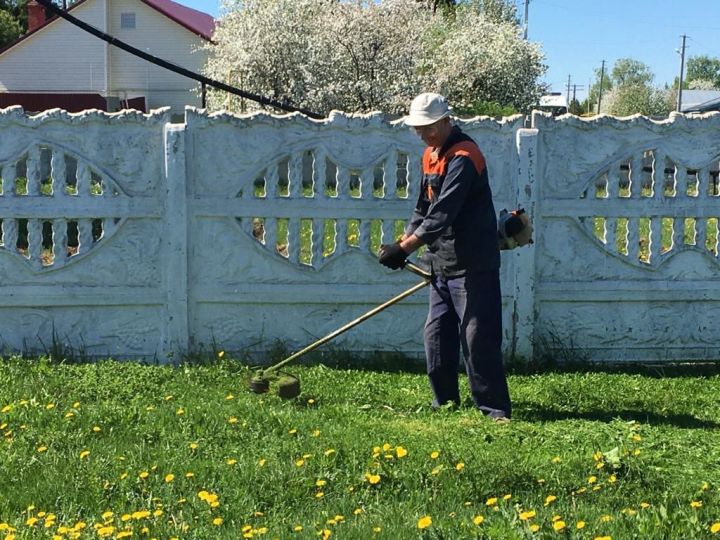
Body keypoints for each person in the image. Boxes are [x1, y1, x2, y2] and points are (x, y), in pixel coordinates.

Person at [378, 92, 512, 422]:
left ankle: (494, 410)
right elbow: (422, 207)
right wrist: (404, 240)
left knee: (477, 337)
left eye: (428, 128)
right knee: (436, 335)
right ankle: (445, 403)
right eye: (417, 128)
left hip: (473, 262)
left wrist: (406, 249)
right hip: (440, 262)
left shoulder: (465, 156)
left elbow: (443, 213)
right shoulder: (430, 155)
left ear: (445, 120)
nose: (423, 134)